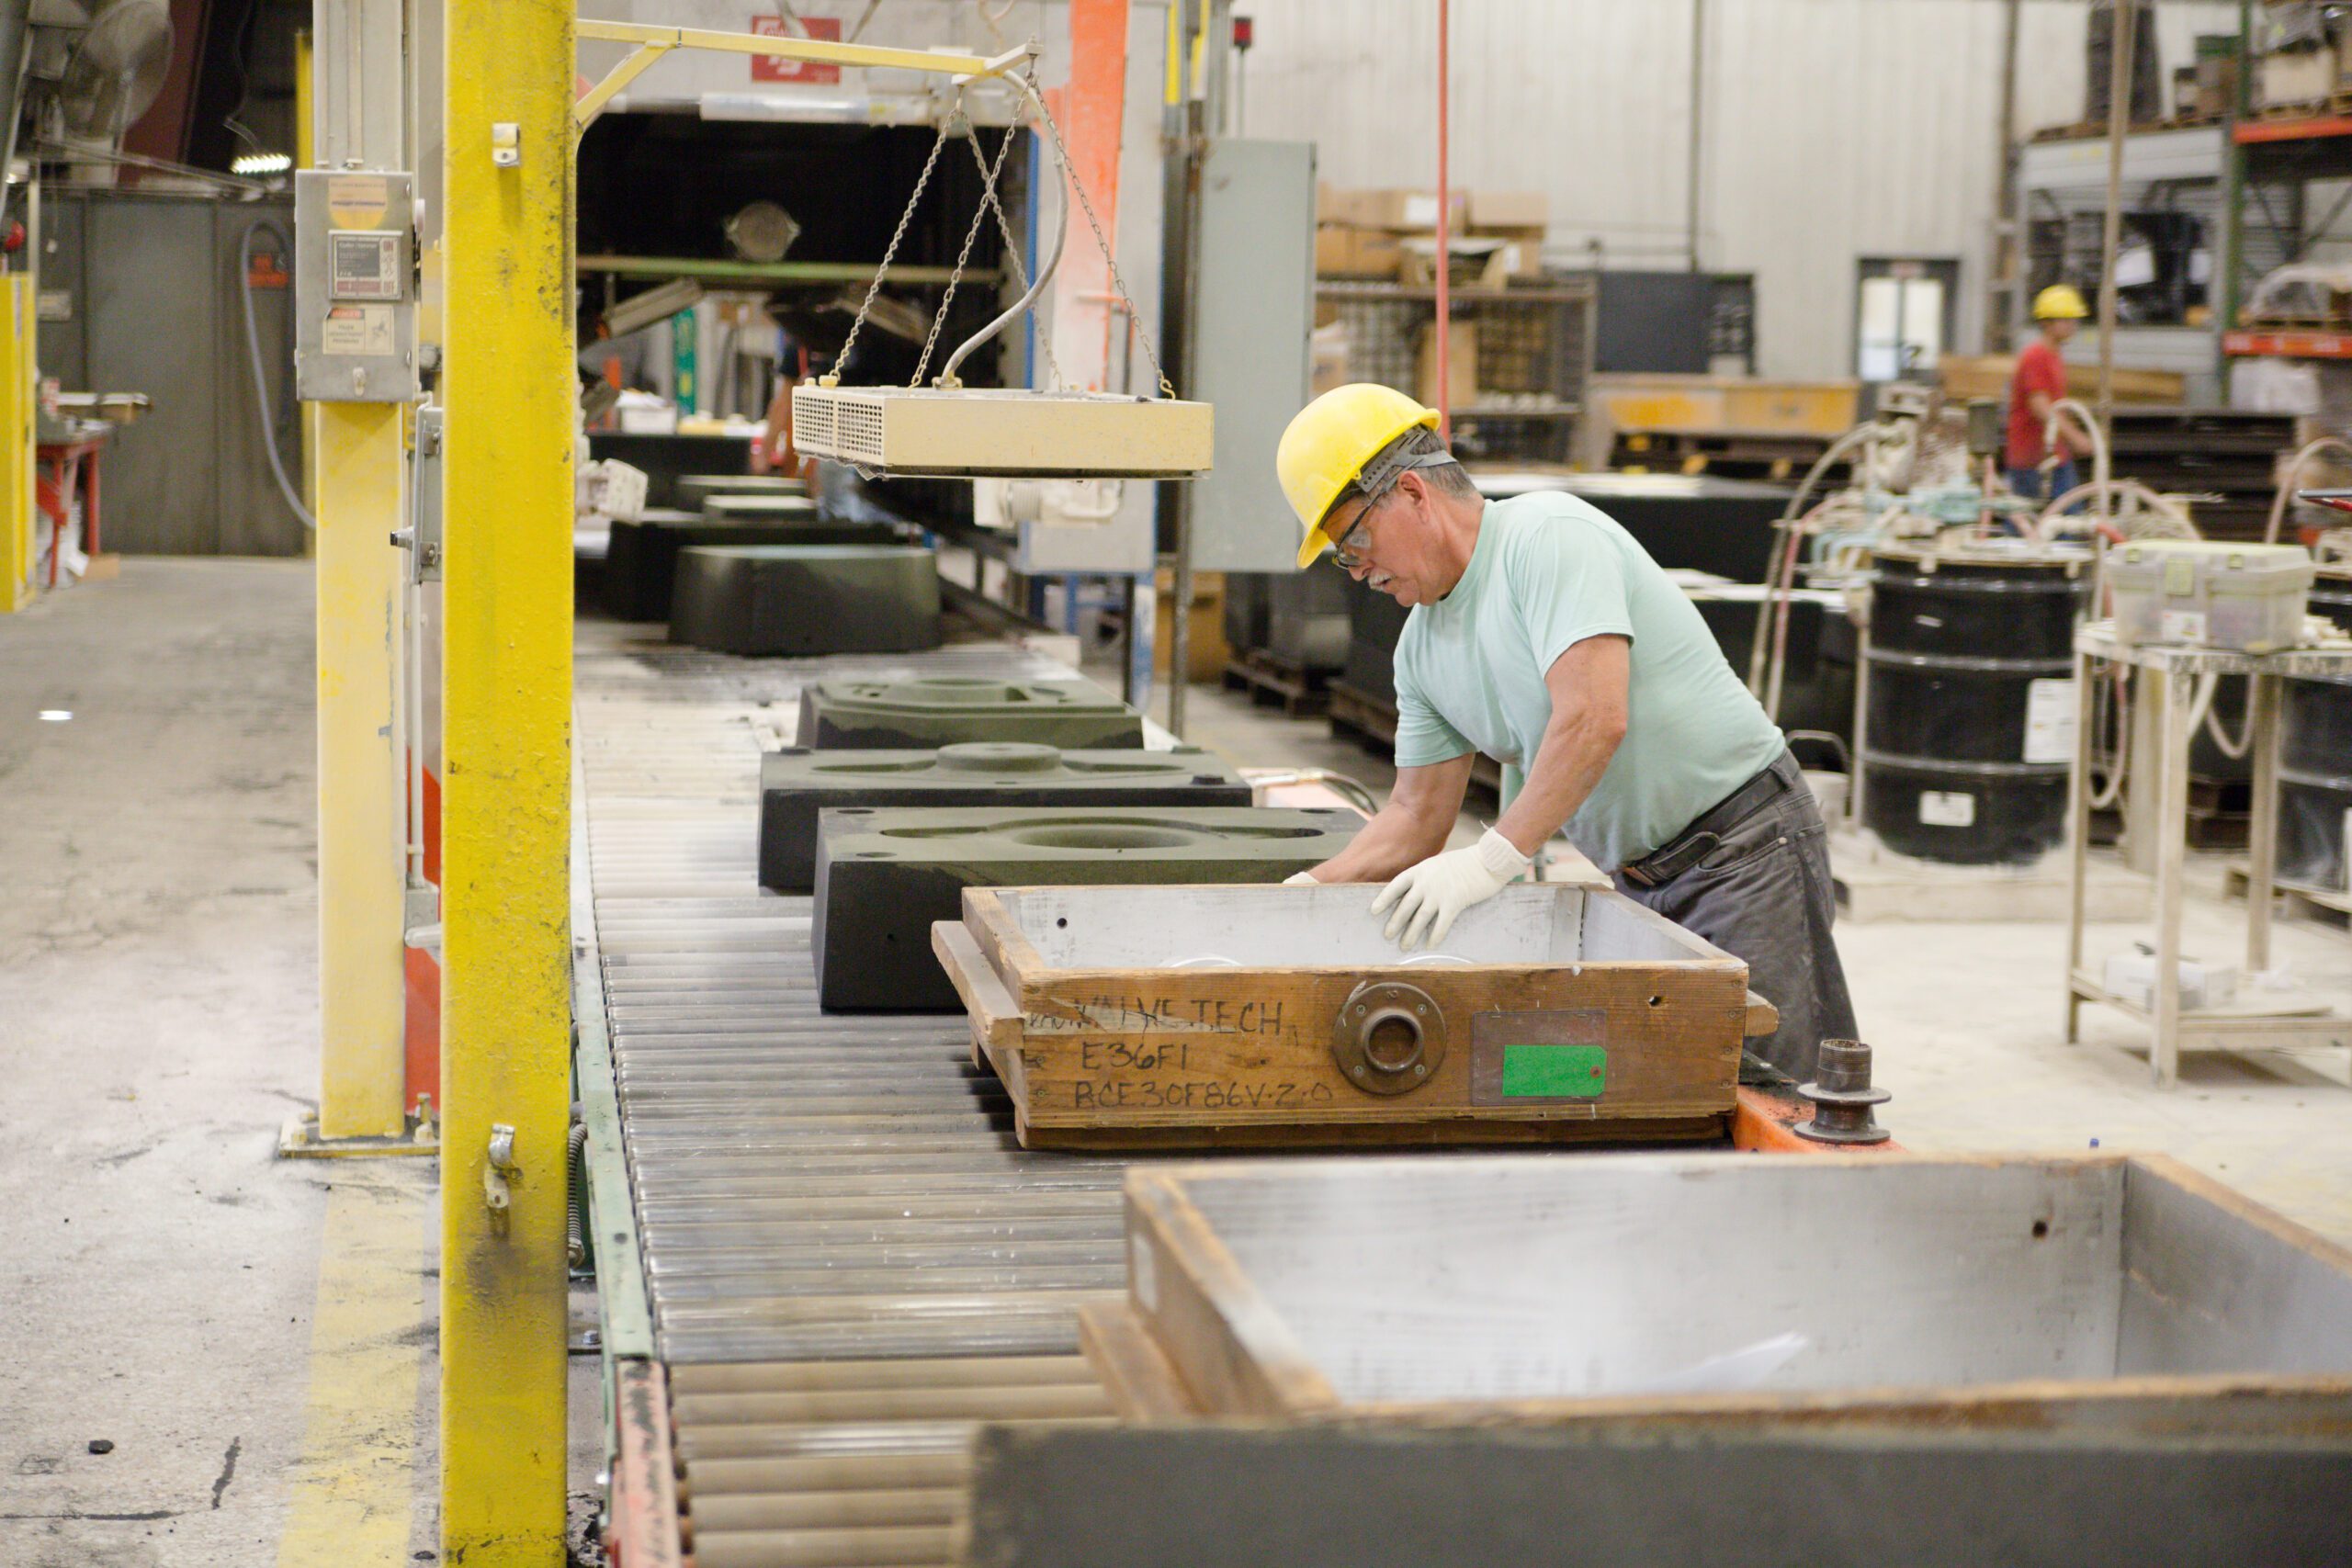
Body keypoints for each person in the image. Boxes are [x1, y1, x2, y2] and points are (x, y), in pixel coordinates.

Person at [1277, 384, 1856, 1082]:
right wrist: (1303, 889)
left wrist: (1489, 861)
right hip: (1642, 880)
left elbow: (1593, 717)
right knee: (1684, 1087)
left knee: (1778, 1093)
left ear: (1412, 493)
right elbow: (1413, 816)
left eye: (1355, 542)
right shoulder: (1420, 652)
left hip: (1746, 849)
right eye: (1344, 557)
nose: (1358, 570)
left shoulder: (1546, 538)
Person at [2007, 285, 2097, 504]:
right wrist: (2076, 437)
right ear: (2046, 323)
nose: (2073, 325)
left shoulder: (2052, 355)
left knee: (2058, 521)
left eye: (2074, 320)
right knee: (2042, 523)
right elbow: (2041, 406)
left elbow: (2054, 404)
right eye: (2066, 320)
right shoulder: (2036, 356)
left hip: (2051, 455)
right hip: (2033, 458)